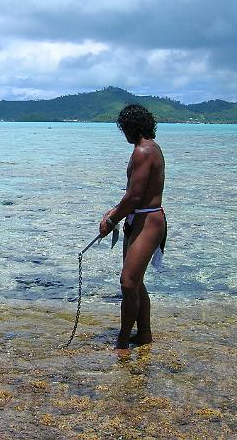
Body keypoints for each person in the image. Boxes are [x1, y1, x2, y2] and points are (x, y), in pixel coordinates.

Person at [99, 104, 166, 350]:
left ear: (130, 127)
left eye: (124, 129)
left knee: (128, 282)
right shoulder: (149, 148)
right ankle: (144, 334)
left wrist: (110, 220)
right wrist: (115, 211)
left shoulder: (143, 151)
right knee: (135, 281)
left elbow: (135, 197)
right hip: (139, 218)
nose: (123, 134)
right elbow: (132, 195)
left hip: (148, 220)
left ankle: (123, 341)